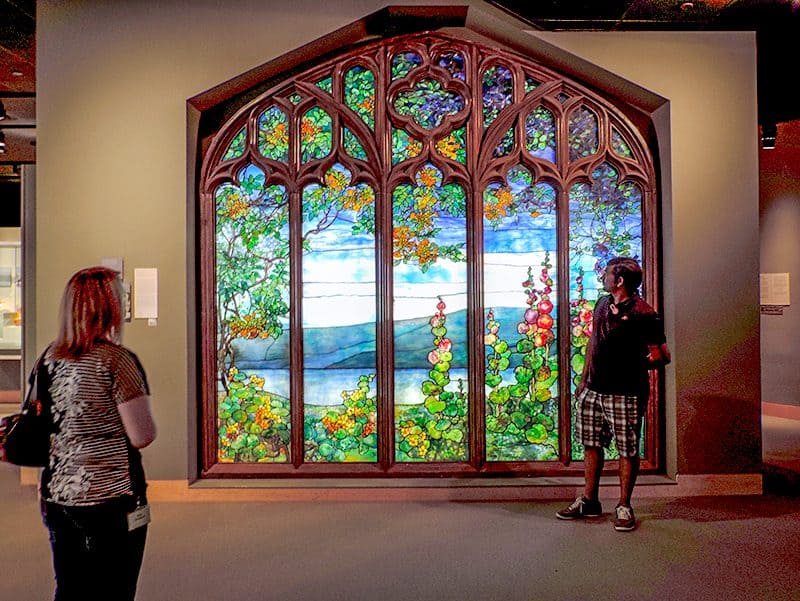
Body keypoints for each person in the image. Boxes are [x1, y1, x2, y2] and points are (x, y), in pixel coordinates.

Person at [38, 266, 157, 600]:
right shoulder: (117, 362)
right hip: (111, 499)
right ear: (111, 307)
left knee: (70, 587)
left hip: (58, 496)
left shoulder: (48, 360)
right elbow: (141, 435)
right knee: (113, 590)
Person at [556, 257, 669, 532]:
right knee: (591, 444)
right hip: (595, 390)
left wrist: (633, 360)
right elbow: (593, 342)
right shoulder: (602, 304)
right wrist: (584, 380)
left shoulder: (645, 313)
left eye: (606, 273)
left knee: (626, 449)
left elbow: (662, 355)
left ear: (619, 280)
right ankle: (589, 500)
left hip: (626, 393)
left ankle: (623, 505)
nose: (603, 276)